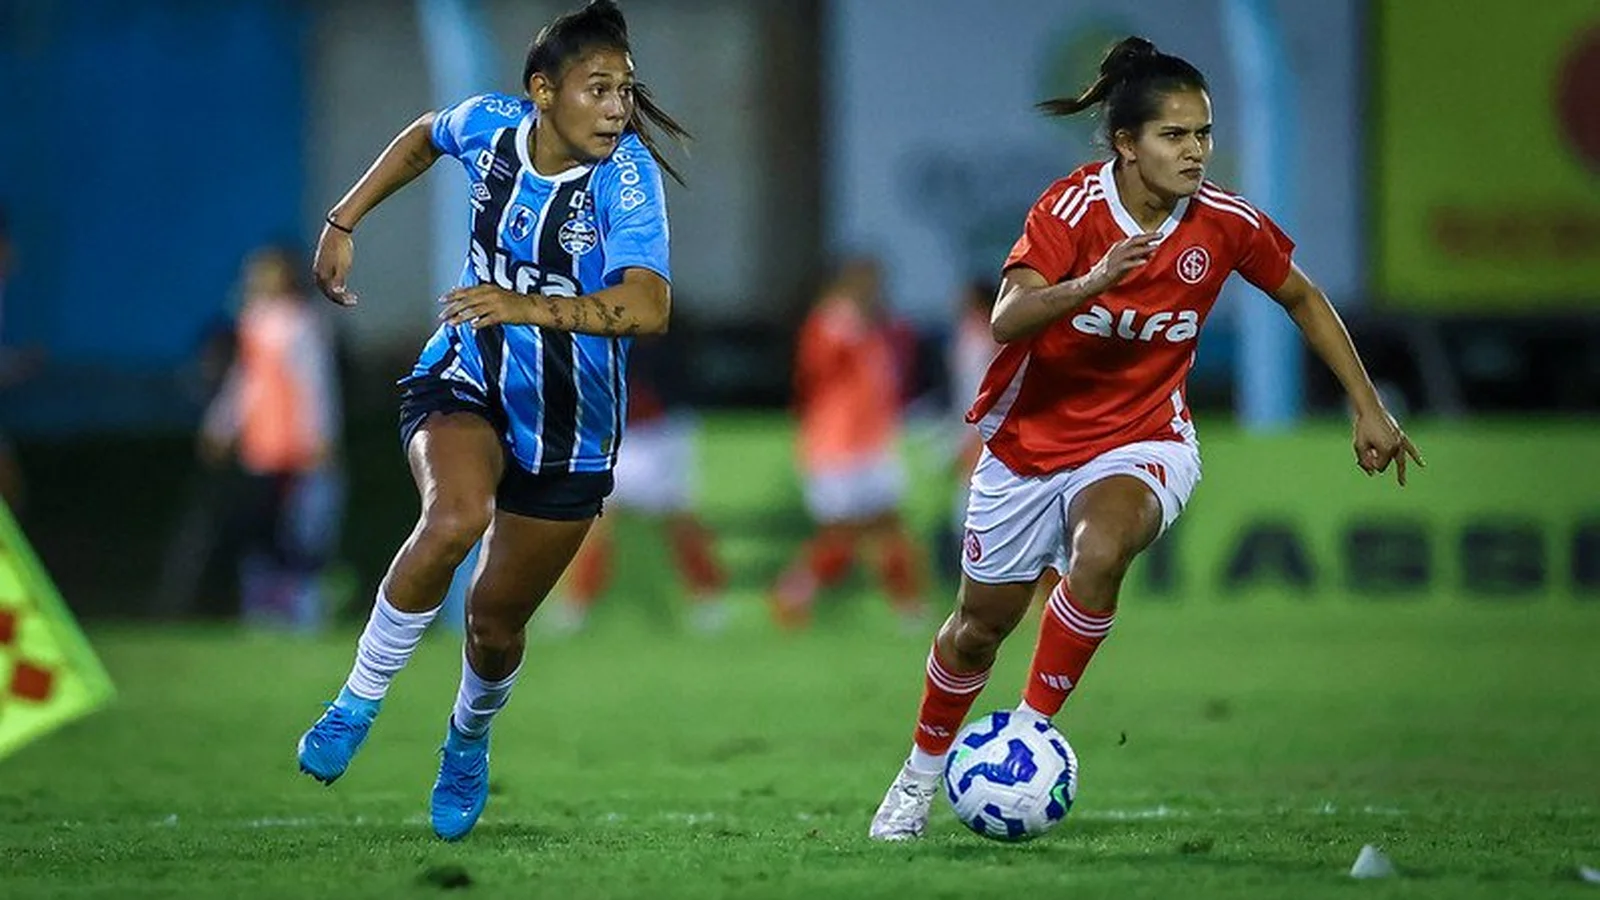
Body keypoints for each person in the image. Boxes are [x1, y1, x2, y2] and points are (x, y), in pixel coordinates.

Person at [868, 37, 1423, 841]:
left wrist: (1367, 406)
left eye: (1202, 133)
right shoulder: (1069, 212)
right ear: (1126, 144)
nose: (1195, 150)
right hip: (1028, 449)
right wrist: (1092, 282)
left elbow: (1302, 295)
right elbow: (1006, 317)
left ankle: (1028, 733)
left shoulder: (1225, 224)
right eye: (1174, 135)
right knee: (978, 626)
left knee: (1100, 551)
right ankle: (915, 782)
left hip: (1144, 438)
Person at [294, 0, 686, 841]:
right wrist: (343, 219)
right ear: (542, 93)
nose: (618, 107)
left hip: (573, 425)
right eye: (598, 89)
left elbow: (649, 307)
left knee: (495, 622)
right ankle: (356, 699)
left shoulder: (626, 179)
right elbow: (424, 135)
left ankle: (466, 742)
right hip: (464, 377)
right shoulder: (489, 127)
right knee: (454, 518)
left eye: (625, 89)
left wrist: (525, 305)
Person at [769, 258, 930, 630]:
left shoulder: (872, 327)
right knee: (842, 537)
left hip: (870, 442)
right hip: (836, 445)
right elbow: (815, 375)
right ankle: (794, 592)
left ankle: (909, 610)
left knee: (890, 526)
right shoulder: (828, 324)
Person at [199, 246, 344, 631]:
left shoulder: (302, 324)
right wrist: (220, 425)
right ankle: (263, 609)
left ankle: (304, 610)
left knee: (299, 532)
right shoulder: (253, 321)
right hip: (261, 449)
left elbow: (316, 385)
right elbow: (244, 383)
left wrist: (321, 436)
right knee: (260, 529)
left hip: (297, 448)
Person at [546, 331, 730, 634]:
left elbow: (668, 392)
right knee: (597, 523)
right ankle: (574, 607)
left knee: (679, 523)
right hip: (622, 436)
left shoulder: (659, 342)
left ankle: (708, 601)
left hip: (662, 435)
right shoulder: (595, 337)